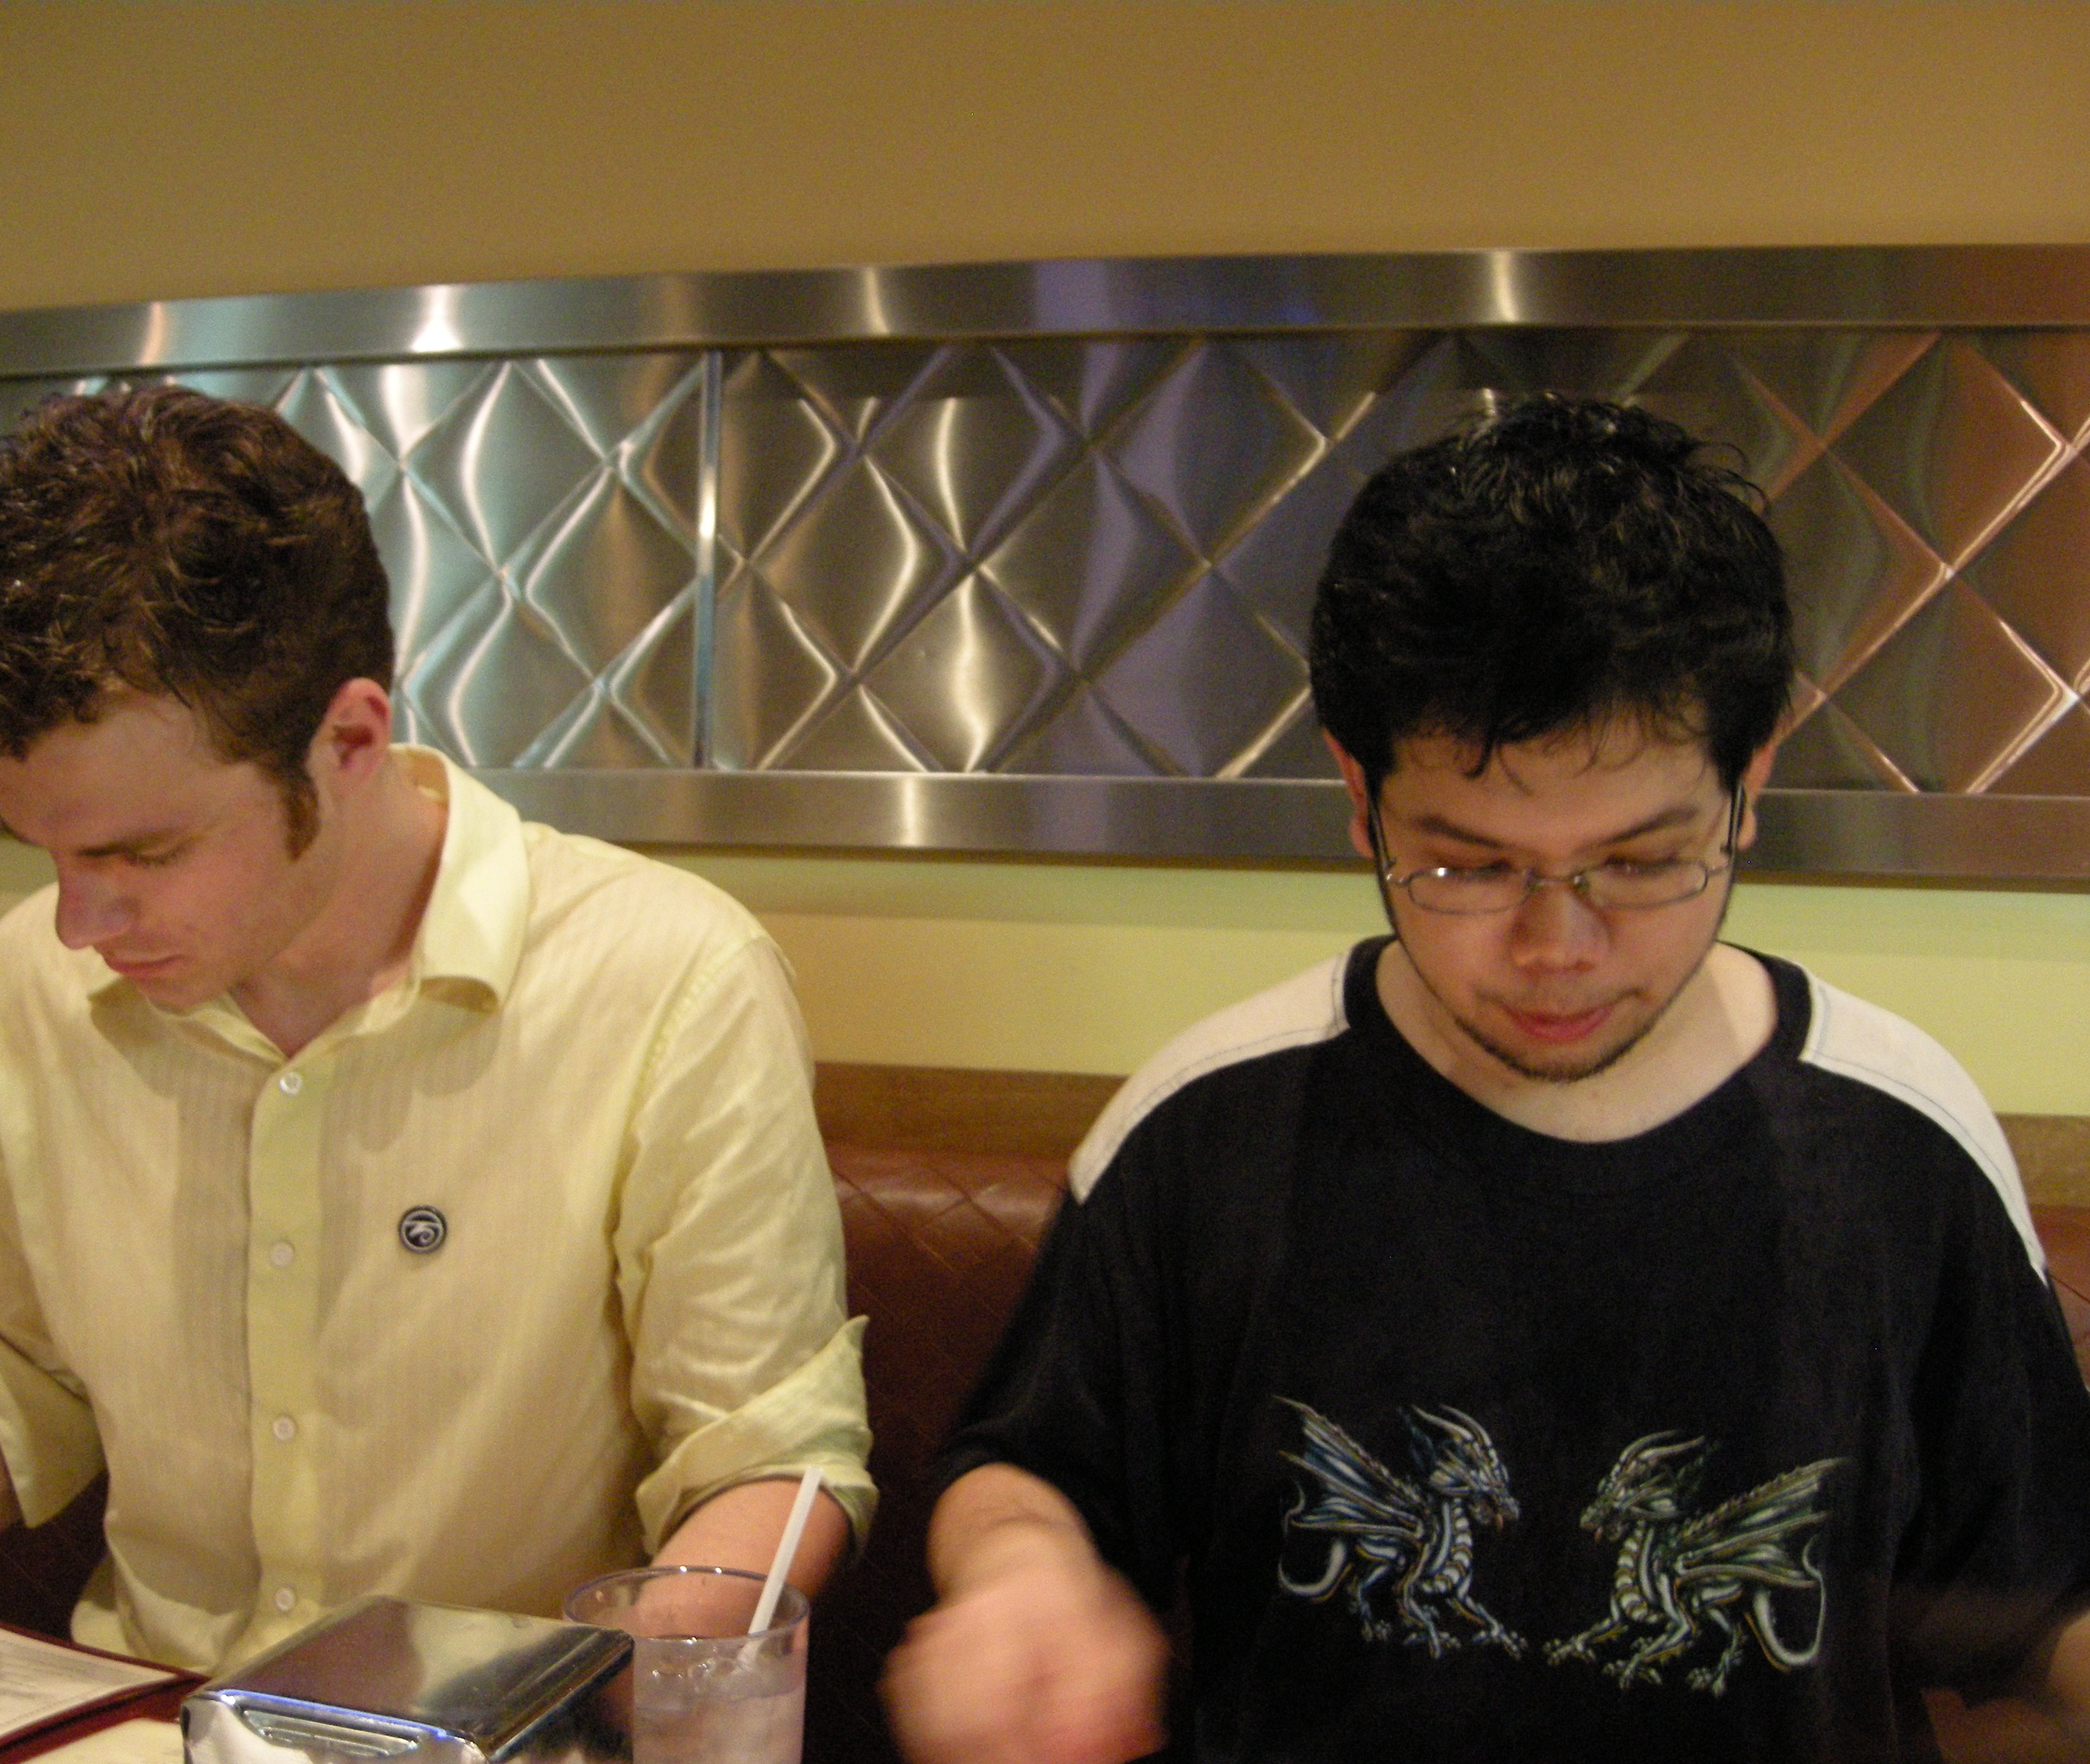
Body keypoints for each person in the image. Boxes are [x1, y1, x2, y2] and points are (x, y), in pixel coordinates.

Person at [885, 395, 2090, 1762]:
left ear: (1747, 784)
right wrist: (1020, 1575)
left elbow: (2049, 1588)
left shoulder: (1894, 1135)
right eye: (1466, 864)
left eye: (1640, 862)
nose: (1555, 947)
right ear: (1360, 798)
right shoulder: (1210, 1125)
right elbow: (1030, 1470)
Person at [0, 386, 873, 1671]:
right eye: (40, 849)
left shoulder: (670, 979)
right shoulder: (26, 993)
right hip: (141, 1726)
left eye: (144, 853)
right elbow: (10, 1396)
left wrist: (575, 1705)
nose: (74, 924)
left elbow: (767, 1461)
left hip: (494, 1740)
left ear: (349, 740)